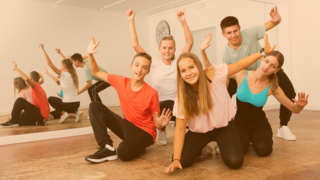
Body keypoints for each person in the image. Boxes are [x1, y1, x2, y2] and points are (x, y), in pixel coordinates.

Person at [164, 34, 276, 172]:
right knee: (182, 160)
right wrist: (176, 159)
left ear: (198, 66)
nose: (188, 73)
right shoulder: (182, 96)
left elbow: (240, 64)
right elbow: (180, 129)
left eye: (191, 67)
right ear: (180, 74)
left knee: (235, 162)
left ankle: (222, 145)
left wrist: (262, 52)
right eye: (183, 70)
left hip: (224, 127)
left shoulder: (216, 73)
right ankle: (202, 148)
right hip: (200, 132)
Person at [85, 36, 171, 163]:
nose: (139, 70)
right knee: (94, 105)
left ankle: (138, 145)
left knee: (123, 153)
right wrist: (90, 54)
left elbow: (156, 124)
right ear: (131, 66)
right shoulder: (120, 81)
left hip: (145, 133)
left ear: (147, 72)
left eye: (144, 67)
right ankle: (106, 147)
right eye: (137, 65)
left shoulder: (152, 93)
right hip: (128, 127)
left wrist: (161, 125)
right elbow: (96, 71)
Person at [220, 7, 297, 140]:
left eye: (235, 31)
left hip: (265, 69)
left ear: (240, 28)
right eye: (229, 33)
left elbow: (274, 22)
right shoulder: (226, 54)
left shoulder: (250, 33)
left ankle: (283, 126)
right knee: (222, 93)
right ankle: (224, 126)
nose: (233, 35)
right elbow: (228, 72)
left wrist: (276, 18)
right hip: (244, 77)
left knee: (289, 91)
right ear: (223, 34)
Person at [126, 9, 193, 145]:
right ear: (159, 49)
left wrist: (183, 22)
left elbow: (189, 43)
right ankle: (161, 129)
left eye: (170, 48)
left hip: (177, 102)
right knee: (159, 106)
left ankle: (178, 124)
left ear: (174, 50)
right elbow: (135, 45)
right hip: (159, 103)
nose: (167, 51)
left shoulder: (178, 62)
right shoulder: (154, 63)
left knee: (185, 108)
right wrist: (131, 21)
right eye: (164, 48)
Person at [40, 44, 82, 123]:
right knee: (64, 102)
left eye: (60, 66)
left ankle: (63, 113)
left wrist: (43, 49)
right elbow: (57, 80)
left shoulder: (63, 74)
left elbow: (49, 63)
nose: (59, 67)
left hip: (68, 105)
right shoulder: (73, 74)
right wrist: (60, 53)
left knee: (50, 99)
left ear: (63, 66)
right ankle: (77, 112)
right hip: (77, 103)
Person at [1, 61, 49, 127]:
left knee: (19, 100)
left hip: (41, 114)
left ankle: (13, 122)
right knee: (18, 117)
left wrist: (16, 68)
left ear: (31, 78)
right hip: (40, 115)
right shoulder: (35, 87)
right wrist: (41, 76)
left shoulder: (36, 86)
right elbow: (41, 81)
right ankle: (37, 122)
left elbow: (26, 79)